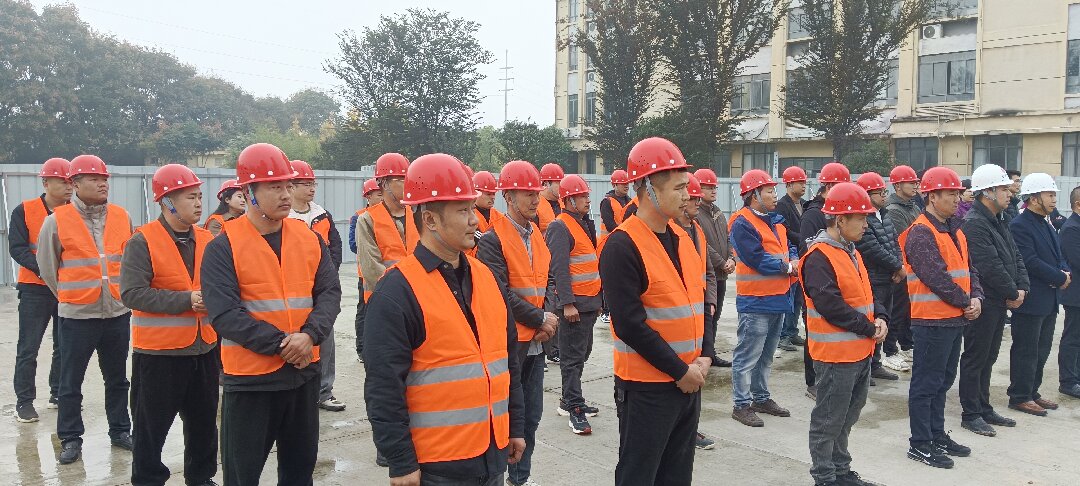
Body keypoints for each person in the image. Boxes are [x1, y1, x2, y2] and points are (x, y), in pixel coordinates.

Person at [363, 153, 526, 486]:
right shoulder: (397, 291)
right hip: (438, 465)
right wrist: (400, 462)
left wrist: (515, 426)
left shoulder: (487, 279)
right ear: (430, 219)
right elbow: (383, 387)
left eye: (472, 208)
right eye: (463, 211)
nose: (475, 221)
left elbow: (509, 362)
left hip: (492, 454)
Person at [202, 143, 342, 484]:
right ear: (249, 192)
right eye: (274, 187)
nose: (285, 194)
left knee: (299, 473)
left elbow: (329, 292)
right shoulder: (223, 246)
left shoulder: (308, 239)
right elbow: (225, 314)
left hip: (303, 375)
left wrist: (309, 335)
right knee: (242, 475)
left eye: (287, 186)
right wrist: (284, 345)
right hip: (251, 383)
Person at [599, 137, 707, 485]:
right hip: (647, 388)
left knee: (677, 475)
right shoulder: (622, 245)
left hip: (688, 380)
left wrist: (705, 355)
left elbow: (698, 302)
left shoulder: (683, 238)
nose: (687, 195)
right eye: (678, 188)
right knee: (639, 475)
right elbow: (629, 324)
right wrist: (679, 371)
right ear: (647, 188)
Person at [121, 164, 219, 486]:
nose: (199, 203)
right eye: (190, 197)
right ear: (167, 202)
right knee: (151, 429)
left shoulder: (208, 239)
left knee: (204, 424)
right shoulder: (143, 241)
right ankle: (148, 480)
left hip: (204, 348)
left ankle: (201, 478)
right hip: (159, 355)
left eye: (199, 196)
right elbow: (132, 293)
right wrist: (186, 300)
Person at [36, 154, 134, 464]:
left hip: (117, 313)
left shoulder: (122, 216)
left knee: (118, 379)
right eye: (94, 179)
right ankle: (70, 438)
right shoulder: (56, 221)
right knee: (70, 382)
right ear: (75, 184)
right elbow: (48, 268)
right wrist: (71, 297)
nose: (102, 184)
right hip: (78, 316)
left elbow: (128, 262)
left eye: (104, 179)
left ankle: (120, 430)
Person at [476, 160, 559, 486]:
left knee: (531, 417)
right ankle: (498, 475)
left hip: (536, 343)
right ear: (508, 196)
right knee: (505, 417)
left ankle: (519, 478)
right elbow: (500, 293)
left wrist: (547, 318)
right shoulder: (492, 240)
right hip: (509, 344)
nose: (535, 199)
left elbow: (548, 280)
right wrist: (540, 318)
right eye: (527, 193)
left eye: (536, 192)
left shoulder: (537, 235)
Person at [802, 182, 887, 486]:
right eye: (861, 218)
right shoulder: (819, 257)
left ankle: (841, 470)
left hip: (859, 351)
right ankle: (825, 477)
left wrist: (881, 316)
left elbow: (866, 293)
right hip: (836, 356)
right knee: (829, 419)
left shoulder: (851, 252)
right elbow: (831, 306)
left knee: (848, 415)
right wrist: (869, 327)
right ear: (840, 220)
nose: (866, 224)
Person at [899, 166, 982, 469]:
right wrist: (966, 301)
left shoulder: (955, 229)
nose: (957, 199)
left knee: (943, 381)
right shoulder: (921, 232)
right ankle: (920, 443)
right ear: (932, 197)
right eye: (951, 194)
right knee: (927, 383)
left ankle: (936, 434)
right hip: (932, 321)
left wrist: (977, 297)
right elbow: (936, 277)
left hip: (954, 318)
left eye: (958, 193)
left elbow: (969, 269)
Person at [957, 164, 1027, 437]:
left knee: (989, 357)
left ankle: (984, 407)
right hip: (984, 301)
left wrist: (1022, 287)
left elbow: (1015, 255)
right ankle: (971, 413)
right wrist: (1012, 292)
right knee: (976, 357)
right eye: (1003, 189)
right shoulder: (974, 223)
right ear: (987, 192)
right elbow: (989, 265)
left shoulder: (999, 219)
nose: (1010, 193)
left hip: (999, 300)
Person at [727, 169, 795, 427]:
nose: (775, 195)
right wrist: (787, 267)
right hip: (755, 301)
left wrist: (794, 259)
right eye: (769, 191)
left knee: (766, 355)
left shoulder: (776, 221)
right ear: (754, 195)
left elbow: (788, 246)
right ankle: (741, 404)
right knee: (747, 356)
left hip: (778, 299)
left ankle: (761, 398)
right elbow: (755, 258)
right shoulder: (742, 223)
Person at [356, 153, 417, 417]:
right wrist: (403, 295)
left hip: (419, 305)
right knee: (385, 373)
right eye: (399, 179)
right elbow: (372, 269)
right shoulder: (367, 220)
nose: (406, 184)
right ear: (382, 183)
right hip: (383, 307)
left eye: (407, 178)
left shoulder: (418, 214)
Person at [10, 158, 70, 423]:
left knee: (64, 345)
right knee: (29, 347)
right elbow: (18, 248)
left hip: (66, 289)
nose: (69, 187)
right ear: (46, 183)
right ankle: (24, 401)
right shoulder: (25, 210)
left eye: (71, 182)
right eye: (62, 181)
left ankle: (58, 393)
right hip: (35, 289)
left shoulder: (74, 213)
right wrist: (44, 269)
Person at [545, 174, 603, 436]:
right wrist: (567, 304)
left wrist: (598, 301)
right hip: (574, 306)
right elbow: (559, 269)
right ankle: (574, 407)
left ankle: (568, 399)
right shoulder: (560, 226)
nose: (587, 200)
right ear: (569, 200)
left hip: (588, 303)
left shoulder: (582, 223)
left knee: (582, 353)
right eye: (582, 196)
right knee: (571, 358)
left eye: (587, 196)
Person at [1007, 173, 1069, 416]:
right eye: (1049, 195)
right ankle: (1019, 395)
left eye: (1054, 195)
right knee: (1026, 350)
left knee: (1041, 350)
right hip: (1031, 299)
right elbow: (1029, 261)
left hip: (1049, 299)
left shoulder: (1046, 222)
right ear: (1033, 198)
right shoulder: (1020, 225)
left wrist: (1063, 271)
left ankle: (1032, 391)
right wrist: (1059, 277)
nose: (1054, 199)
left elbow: (1057, 254)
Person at [287, 160, 345, 413]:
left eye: (313, 184)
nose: (311, 188)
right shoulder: (283, 216)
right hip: (293, 286)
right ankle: (299, 391)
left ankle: (324, 391)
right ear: (291, 186)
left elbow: (335, 245)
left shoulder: (322, 214)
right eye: (305, 184)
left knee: (325, 338)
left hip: (321, 286)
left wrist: (329, 272)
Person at [800, 162, 850, 399]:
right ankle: (813, 381)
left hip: (837, 280)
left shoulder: (835, 212)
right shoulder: (814, 215)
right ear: (828, 187)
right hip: (817, 283)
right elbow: (807, 249)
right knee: (815, 333)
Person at [679, 174, 719, 450]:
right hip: (682, 316)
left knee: (700, 368)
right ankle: (686, 431)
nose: (696, 202)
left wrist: (710, 301)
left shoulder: (697, 230)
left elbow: (708, 271)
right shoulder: (671, 232)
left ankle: (692, 428)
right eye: (693, 198)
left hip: (700, 309)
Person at [852, 172, 902, 383]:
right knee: (872, 322)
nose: (884, 196)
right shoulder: (863, 219)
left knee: (884, 320)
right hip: (873, 277)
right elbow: (872, 248)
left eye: (884, 191)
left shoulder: (884, 215)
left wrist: (898, 265)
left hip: (888, 277)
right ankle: (866, 367)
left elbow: (894, 242)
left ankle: (876, 364)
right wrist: (897, 266)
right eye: (879, 192)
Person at [694, 168, 735, 368]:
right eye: (708, 187)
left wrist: (732, 258)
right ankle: (701, 353)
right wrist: (721, 262)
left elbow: (727, 238)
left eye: (714, 187)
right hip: (708, 274)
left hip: (721, 275)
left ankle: (710, 352)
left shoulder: (718, 212)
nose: (713, 190)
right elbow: (703, 244)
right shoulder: (695, 214)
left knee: (715, 316)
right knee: (706, 316)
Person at [883, 165, 921, 367]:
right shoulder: (893, 211)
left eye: (916, 182)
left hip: (913, 268)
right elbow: (906, 241)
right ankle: (890, 351)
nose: (915, 186)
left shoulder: (913, 207)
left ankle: (906, 345)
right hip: (900, 268)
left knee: (907, 311)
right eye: (911, 182)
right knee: (896, 311)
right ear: (897, 186)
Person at [348, 177, 384, 360]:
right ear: (368, 196)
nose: (382, 198)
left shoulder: (392, 215)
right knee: (364, 311)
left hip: (390, 273)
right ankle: (362, 349)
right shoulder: (360, 216)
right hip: (366, 274)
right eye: (378, 195)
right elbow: (354, 245)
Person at [776, 166, 809, 352]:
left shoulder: (803, 204)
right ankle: (784, 335)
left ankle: (792, 331)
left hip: (802, 254)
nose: (803, 185)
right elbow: (785, 231)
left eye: (804, 182)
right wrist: (804, 239)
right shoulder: (783, 205)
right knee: (790, 296)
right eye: (800, 182)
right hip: (791, 255)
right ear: (789, 184)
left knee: (798, 298)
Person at [1057, 186, 1080, 400]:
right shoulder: (1071, 228)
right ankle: (1068, 381)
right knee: (1072, 338)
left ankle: (1077, 376)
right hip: (1075, 294)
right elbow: (1076, 260)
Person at [468, 170, 503, 258]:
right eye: (488, 194)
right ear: (477, 193)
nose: (493, 197)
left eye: (493, 194)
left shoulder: (499, 217)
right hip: (472, 261)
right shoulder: (467, 216)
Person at [599, 169, 631, 238]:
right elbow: (610, 226)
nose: (626, 186)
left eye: (627, 183)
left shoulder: (630, 202)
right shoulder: (607, 202)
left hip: (624, 240)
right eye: (623, 183)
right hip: (609, 241)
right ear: (614, 185)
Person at [537, 163, 564, 234]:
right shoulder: (535, 204)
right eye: (558, 183)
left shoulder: (565, 203)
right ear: (546, 184)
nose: (562, 186)